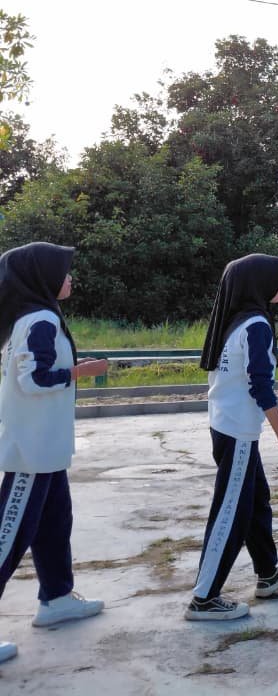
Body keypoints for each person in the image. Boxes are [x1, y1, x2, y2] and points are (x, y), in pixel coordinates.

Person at [0, 243, 110, 665]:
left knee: (53, 526)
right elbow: (35, 380)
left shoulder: (31, 318)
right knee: (8, 538)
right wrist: (84, 372)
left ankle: (57, 598)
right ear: (43, 278)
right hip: (31, 452)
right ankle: (56, 597)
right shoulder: (39, 320)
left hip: (46, 450)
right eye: (64, 272)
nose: (70, 279)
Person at [186, 254, 278, 621]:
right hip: (237, 431)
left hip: (226, 426)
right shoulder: (255, 326)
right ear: (259, 284)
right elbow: (261, 388)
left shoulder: (235, 322)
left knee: (255, 501)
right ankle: (204, 598)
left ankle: (267, 573)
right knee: (231, 511)